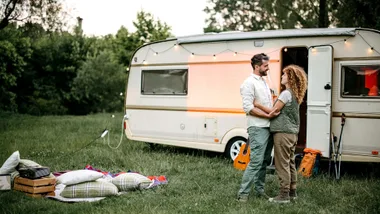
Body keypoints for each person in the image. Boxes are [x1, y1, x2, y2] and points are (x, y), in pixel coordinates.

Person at [254, 64, 308, 203]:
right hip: (292, 133)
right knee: (289, 162)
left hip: (283, 133)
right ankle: (292, 192)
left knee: (281, 164)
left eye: (284, 75)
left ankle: (283, 195)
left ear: (289, 78)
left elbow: (273, 111)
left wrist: (257, 104)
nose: (282, 76)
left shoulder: (286, 93)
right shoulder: (295, 94)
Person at [237, 53, 279, 202]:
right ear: (257, 67)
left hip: (268, 127)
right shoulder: (249, 83)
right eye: (265, 65)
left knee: (264, 161)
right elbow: (248, 107)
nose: (268, 68)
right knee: (255, 161)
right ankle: (243, 194)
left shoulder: (264, 82)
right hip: (258, 127)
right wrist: (267, 116)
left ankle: (259, 190)